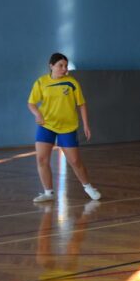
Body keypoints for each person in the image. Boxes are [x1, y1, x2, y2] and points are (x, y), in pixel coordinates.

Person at [27, 53, 101, 203]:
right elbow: (31, 103)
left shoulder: (71, 83)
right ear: (51, 66)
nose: (64, 69)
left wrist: (86, 125)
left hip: (67, 127)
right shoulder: (41, 82)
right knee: (41, 159)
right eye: (60, 65)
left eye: (66, 66)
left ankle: (88, 187)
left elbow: (82, 104)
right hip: (46, 125)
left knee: (75, 161)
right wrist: (37, 114)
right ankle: (48, 192)